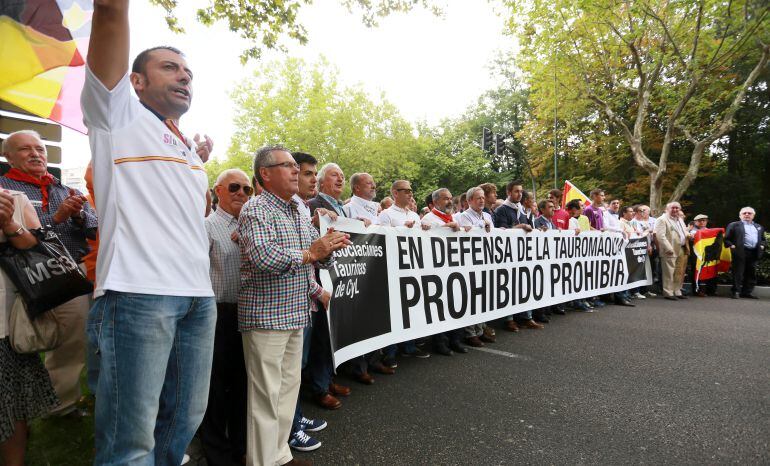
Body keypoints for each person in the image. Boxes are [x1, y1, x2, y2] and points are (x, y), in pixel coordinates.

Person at [83, 3, 217, 462]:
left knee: (182, 422)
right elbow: (110, 17)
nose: (184, 77)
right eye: (170, 67)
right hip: (138, 295)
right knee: (130, 440)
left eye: (188, 72)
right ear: (134, 81)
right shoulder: (115, 115)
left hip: (198, 298)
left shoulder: (182, 143)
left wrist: (196, 155)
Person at [238, 146, 348, 466]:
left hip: (297, 313)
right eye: (286, 165)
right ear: (265, 174)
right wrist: (312, 253)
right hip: (266, 317)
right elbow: (263, 257)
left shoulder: (299, 210)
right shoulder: (255, 209)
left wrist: (328, 249)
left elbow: (313, 257)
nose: (295, 171)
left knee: (287, 393)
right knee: (265, 398)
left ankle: (279, 455)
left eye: (294, 165)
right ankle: (261, 461)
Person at [0, 131, 97, 417]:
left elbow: (92, 226)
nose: (36, 154)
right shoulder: (4, 189)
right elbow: (19, 233)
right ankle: (17, 406)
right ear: (8, 157)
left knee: (71, 339)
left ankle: (60, 405)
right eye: (25, 149)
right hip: (14, 278)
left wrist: (79, 215)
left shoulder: (63, 188)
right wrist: (56, 218)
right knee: (14, 342)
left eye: (40, 149)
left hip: (65, 274)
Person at [0, 190, 59, 466]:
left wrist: (8, 224)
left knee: (12, 403)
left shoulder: (14, 198)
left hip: (5, 324)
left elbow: (37, 247)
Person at [198, 169, 253, 465]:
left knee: (243, 385)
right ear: (217, 190)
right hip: (216, 314)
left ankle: (242, 448)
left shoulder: (253, 227)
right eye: (234, 187)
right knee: (215, 388)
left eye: (247, 190)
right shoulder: (205, 228)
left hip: (248, 313)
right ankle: (217, 454)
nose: (241, 194)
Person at [288, 152, 331, 451]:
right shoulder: (289, 211)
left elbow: (316, 259)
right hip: (292, 303)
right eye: (306, 173)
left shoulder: (305, 211)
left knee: (297, 368)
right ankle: (289, 428)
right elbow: (299, 260)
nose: (313, 179)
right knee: (288, 372)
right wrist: (317, 290)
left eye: (314, 173)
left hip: (307, 302)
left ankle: (295, 416)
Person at [307, 163, 358, 403]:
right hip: (322, 277)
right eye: (334, 175)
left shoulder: (343, 209)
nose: (340, 179)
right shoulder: (314, 204)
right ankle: (318, 387)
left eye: (342, 176)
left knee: (331, 333)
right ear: (321, 181)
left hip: (341, 276)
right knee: (320, 334)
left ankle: (327, 378)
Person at [379, 181, 431, 361]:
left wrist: (422, 229)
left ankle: (409, 346)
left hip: (413, 269)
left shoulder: (415, 216)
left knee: (411, 309)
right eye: (406, 191)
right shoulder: (386, 214)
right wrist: (400, 231)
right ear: (395, 192)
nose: (410, 194)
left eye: (411, 191)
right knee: (394, 311)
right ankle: (390, 352)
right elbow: (382, 238)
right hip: (394, 270)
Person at [420, 188, 468, 356]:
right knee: (440, 307)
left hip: (454, 270)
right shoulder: (428, 219)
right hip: (437, 272)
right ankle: (440, 342)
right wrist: (448, 227)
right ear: (435, 202)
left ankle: (456, 339)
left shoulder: (453, 217)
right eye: (445, 199)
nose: (449, 201)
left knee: (456, 304)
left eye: (450, 198)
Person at [453, 187, 498, 345]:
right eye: (478, 198)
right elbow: (471, 236)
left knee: (482, 297)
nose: (481, 201)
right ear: (469, 201)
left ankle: (479, 329)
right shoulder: (463, 217)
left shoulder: (487, 215)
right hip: (470, 263)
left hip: (485, 261)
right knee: (471, 297)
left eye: (483, 198)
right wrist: (482, 228)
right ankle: (470, 333)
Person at [724, 207, 766, 299]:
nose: (747, 214)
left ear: (753, 215)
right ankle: (736, 292)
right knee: (738, 272)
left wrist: (762, 245)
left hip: (754, 252)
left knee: (751, 273)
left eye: (749, 213)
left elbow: (763, 239)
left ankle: (747, 292)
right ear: (740, 215)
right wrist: (731, 246)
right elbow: (727, 238)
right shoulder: (734, 225)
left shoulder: (759, 227)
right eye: (744, 213)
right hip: (740, 252)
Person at [654, 202, 690, 301]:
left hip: (681, 248)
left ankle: (677, 291)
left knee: (679, 271)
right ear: (667, 209)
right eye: (672, 208)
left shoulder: (680, 220)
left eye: (677, 208)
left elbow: (684, 231)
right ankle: (668, 292)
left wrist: (689, 234)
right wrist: (668, 248)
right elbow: (660, 236)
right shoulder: (661, 219)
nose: (675, 210)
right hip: (670, 249)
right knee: (669, 272)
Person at [688, 214, 717, 297]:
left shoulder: (710, 231)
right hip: (696, 255)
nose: (702, 222)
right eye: (699, 221)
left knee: (707, 272)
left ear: (706, 222)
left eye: (704, 220)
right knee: (696, 273)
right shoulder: (691, 231)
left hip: (707, 256)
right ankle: (696, 290)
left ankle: (709, 290)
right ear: (695, 222)